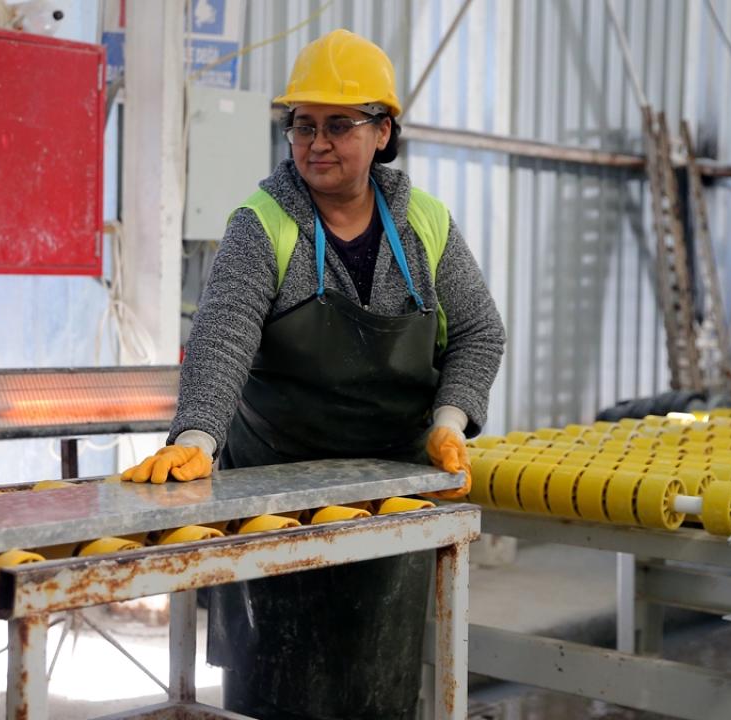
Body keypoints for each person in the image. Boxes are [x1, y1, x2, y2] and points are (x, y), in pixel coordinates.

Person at [121, 28, 505, 720]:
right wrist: (198, 436)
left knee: (376, 679)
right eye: (303, 124)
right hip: (274, 495)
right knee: (275, 687)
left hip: (391, 493)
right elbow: (223, 337)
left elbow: (480, 331)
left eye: (338, 125)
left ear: (382, 132)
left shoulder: (425, 225)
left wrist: (449, 422)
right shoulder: (263, 224)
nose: (316, 143)